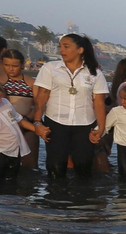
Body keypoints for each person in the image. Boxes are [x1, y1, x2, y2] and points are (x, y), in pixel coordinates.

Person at [33, 34, 108, 178]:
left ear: (80, 50)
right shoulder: (50, 68)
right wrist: (37, 122)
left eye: (66, 46)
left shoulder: (94, 73)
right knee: (55, 166)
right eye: (60, 46)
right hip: (55, 123)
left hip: (85, 124)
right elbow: (42, 97)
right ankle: (55, 198)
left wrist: (101, 128)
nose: (62, 50)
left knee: (84, 166)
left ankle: (81, 199)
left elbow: (98, 102)